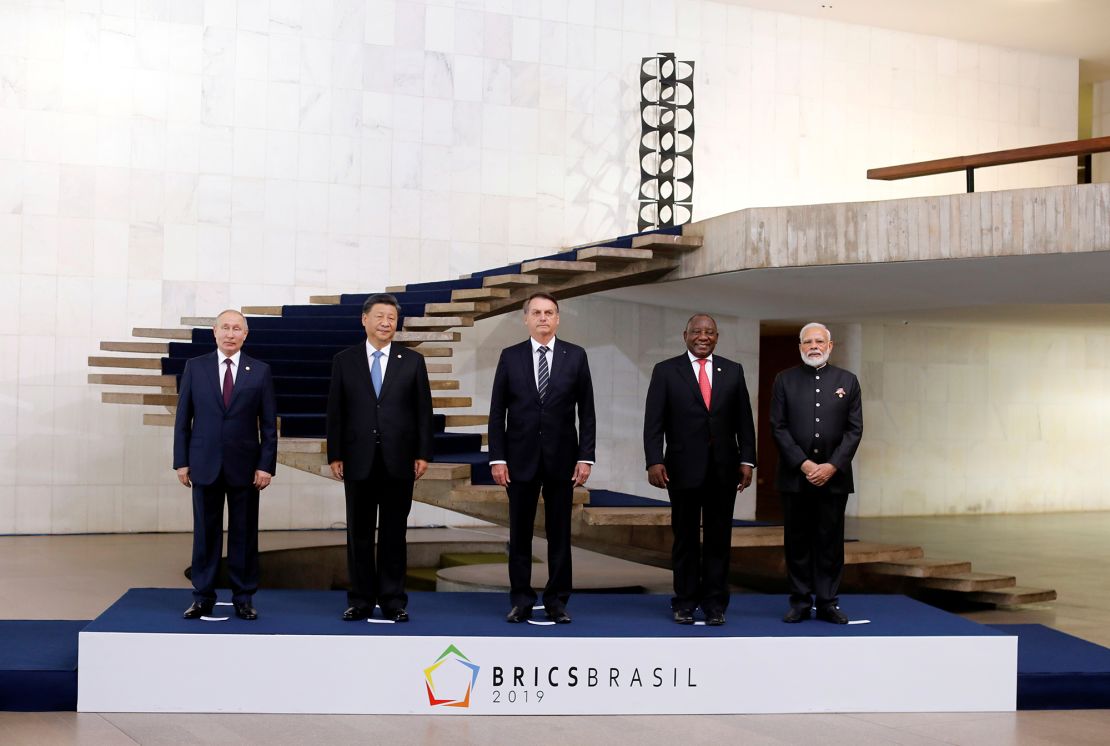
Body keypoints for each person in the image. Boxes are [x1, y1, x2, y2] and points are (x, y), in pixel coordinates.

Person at [488, 292, 596, 624]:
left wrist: (586, 457)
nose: (543, 318)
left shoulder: (576, 356)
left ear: (558, 318)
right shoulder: (510, 356)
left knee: (559, 534)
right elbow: (497, 413)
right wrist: (497, 458)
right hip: (519, 460)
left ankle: (557, 601)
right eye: (536, 312)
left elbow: (587, 413)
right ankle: (521, 599)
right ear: (526, 318)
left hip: (563, 461)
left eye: (549, 312)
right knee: (519, 533)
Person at [643, 313, 756, 626]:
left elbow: (744, 421)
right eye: (697, 332)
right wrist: (654, 460)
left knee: (720, 540)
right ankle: (684, 602)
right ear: (685, 335)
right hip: (681, 469)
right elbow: (654, 421)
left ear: (717, 337)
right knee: (686, 539)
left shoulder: (733, 371)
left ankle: (715, 605)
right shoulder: (666, 371)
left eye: (709, 332)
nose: (703, 336)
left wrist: (747, 459)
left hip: (724, 469)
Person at [327, 293, 434, 623]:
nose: (386, 322)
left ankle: (392, 600)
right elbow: (336, 412)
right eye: (380, 316)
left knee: (393, 533)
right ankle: (360, 599)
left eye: (392, 317)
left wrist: (423, 453)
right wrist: (335, 454)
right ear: (364, 319)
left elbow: (423, 412)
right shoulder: (344, 360)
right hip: (357, 459)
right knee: (358, 533)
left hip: (399, 460)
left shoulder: (412, 361)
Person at [173, 309, 277, 621]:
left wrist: (266, 465)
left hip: (246, 468)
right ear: (214, 333)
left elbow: (269, 425)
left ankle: (243, 597)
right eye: (225, 328)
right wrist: (181, 462)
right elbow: (183, 420)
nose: (230, 334)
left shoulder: (259, 371)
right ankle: (202, 596)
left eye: (237, 329)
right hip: (203, 464)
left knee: (244, 534)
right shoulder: (196, 367)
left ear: (246, 334)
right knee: (206, 533)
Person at [770, 322, 863, 624]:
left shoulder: (848, 381)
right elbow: (778, 427)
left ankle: (827, 602)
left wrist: (832, 466)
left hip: (834, 479)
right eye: (807, 341)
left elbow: (854, 430)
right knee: (797, 541)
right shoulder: (784, 381)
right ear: (800, 347)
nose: (813, 346)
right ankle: (799, 601)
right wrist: (805, 464)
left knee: (830, 543)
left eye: (819, 341)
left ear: (830, 345)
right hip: (795, 477)